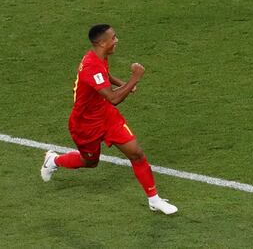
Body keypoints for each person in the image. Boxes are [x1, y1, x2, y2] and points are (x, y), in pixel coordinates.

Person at [40, 24, 178, 215]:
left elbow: (105, 76)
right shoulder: (91, 66)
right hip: (85, 124)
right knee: (90, 162)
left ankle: (154, 200)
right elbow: (114, 98)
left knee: (136, 154)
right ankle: (54, 160)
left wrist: (124, 83)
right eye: (113, 38)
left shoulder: (98, 56)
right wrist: (134, 78)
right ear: (102, 43)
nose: (116, 40)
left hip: (106, 116)